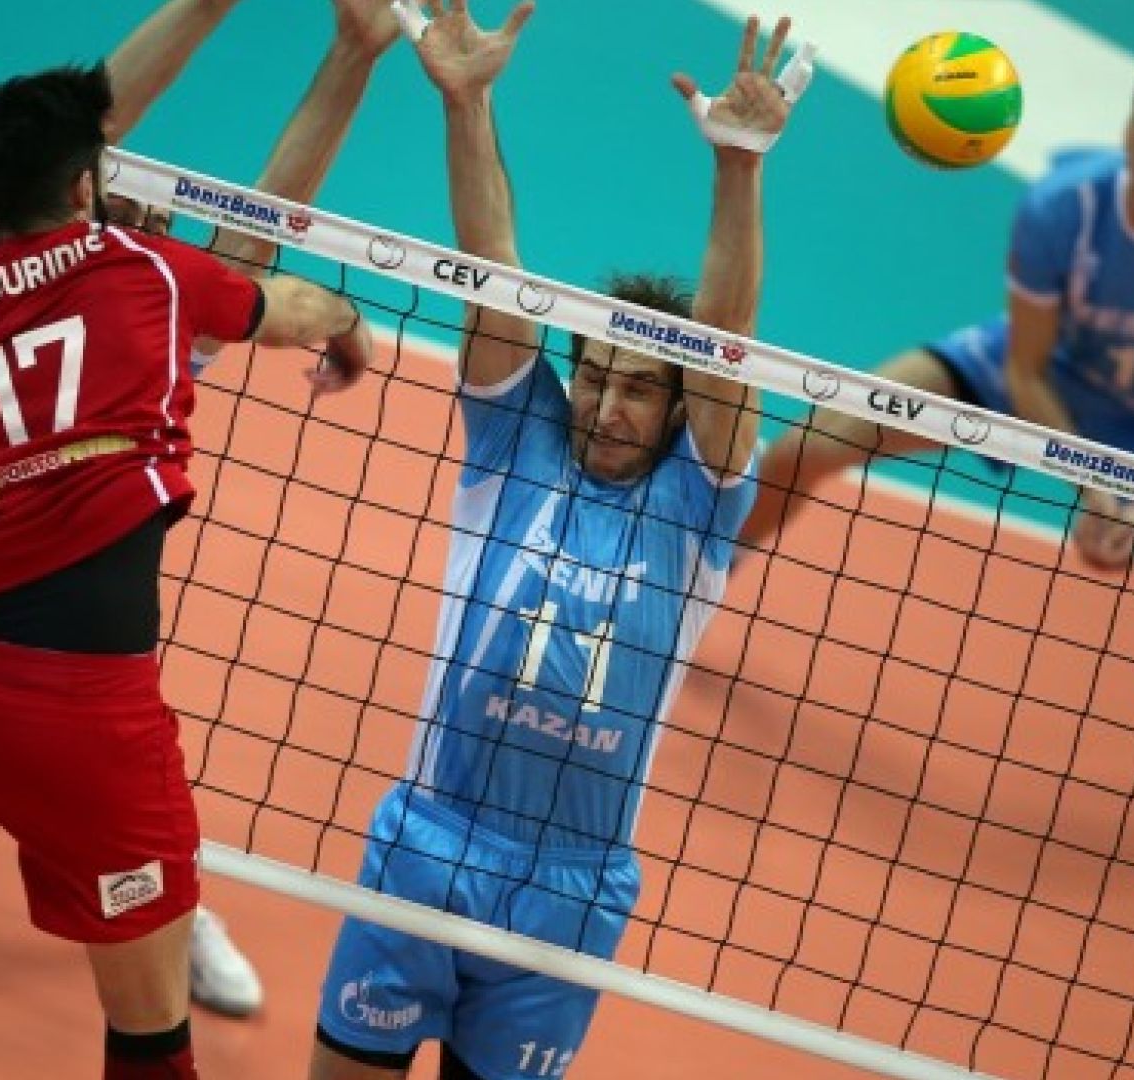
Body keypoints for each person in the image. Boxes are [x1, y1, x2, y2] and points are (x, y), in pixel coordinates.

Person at [0, 59, 373, 1080]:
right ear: (86, 184)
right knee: (148, 1017)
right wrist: (345, 327)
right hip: (92, 717)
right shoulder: (150, 272)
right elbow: (292, 305)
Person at [738, 55, 1134, 917]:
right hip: (1031, 387)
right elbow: (1028, 368)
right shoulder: (1063, 207)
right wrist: (1090, 482)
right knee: (817, 439)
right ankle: (696, 585)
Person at [309, 4, 802, 1078]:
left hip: (570, 891)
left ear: (677, 411)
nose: (606, 407)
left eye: (639, 390)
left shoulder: (697, 505)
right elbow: (490, 262)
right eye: (593, 377)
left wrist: (737, 167)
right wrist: (467, 102)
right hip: (428, 844)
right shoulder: (515, 443)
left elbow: (726, 345)